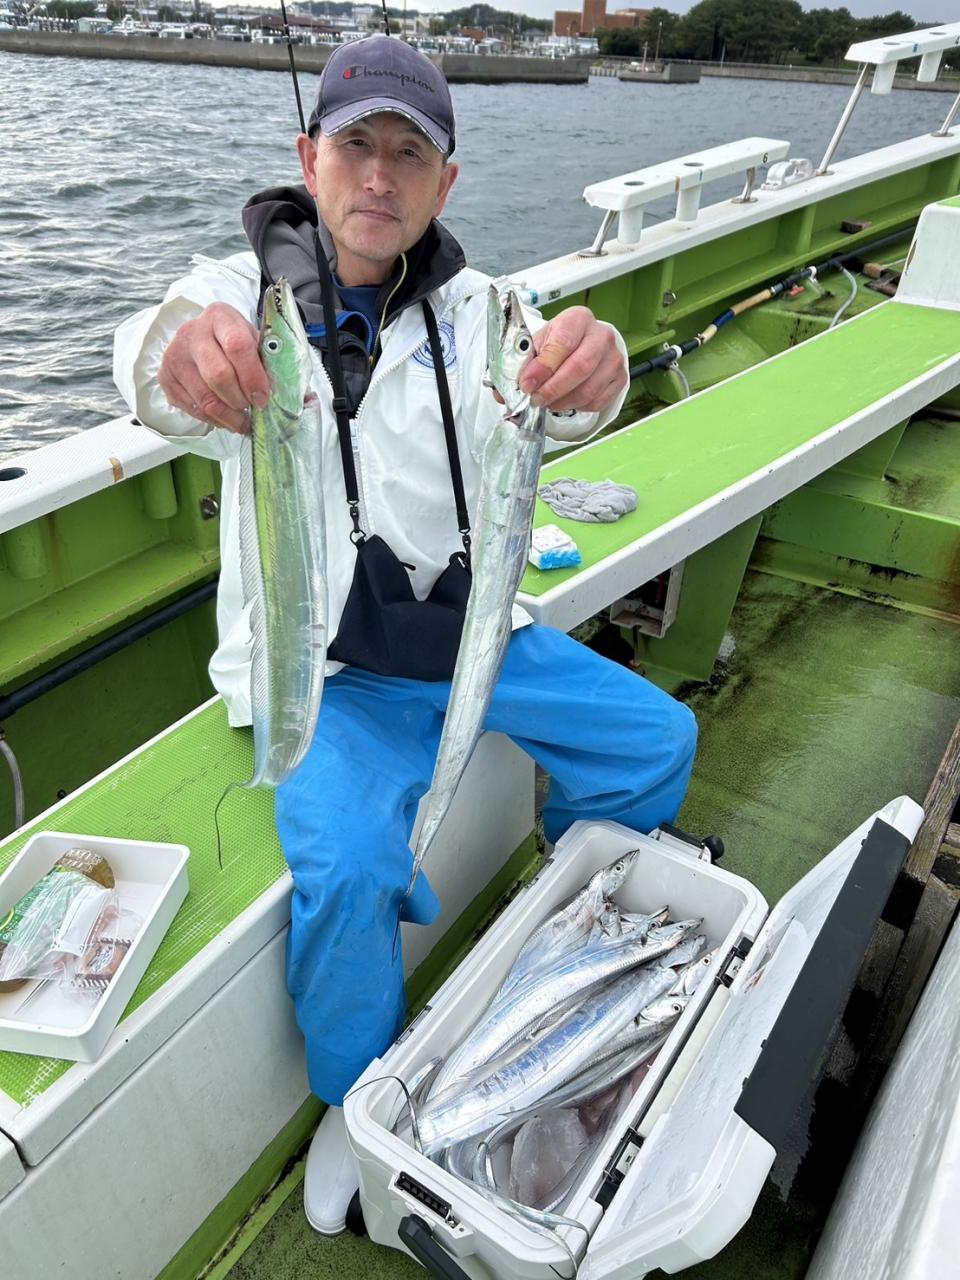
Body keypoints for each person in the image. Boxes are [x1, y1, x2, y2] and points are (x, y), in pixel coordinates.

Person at [113, 35, 697, 1235]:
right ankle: (356, 1094)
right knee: (347, 871)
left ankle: (565, 927)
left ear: (445, 181)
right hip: (333, 674)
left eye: (409, 154)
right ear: (309, 160)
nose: (379, 176)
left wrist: (600, 372)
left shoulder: (486, 309)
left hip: (474, 635)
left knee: (655, 741)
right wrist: (174, 358)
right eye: (356, 147)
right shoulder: (244, 304)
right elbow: (155, 362)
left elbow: (563, 399)